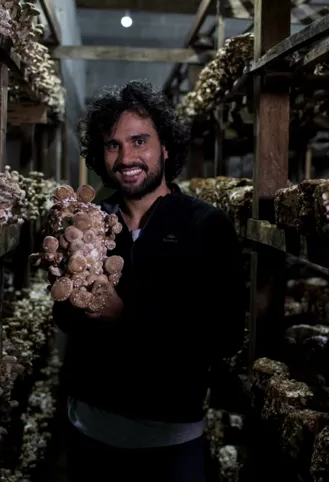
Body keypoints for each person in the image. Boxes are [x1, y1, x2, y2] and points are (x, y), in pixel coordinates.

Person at [52, 80, 246, 482]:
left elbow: (226, 335)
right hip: (88, 430)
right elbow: (65, 319)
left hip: (170, 441)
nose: (126, 157)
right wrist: (65, 282)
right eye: (113, 145)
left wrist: (126, 317)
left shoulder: (207, 226)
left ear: (166, 148)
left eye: (139, 141)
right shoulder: (88, 221)